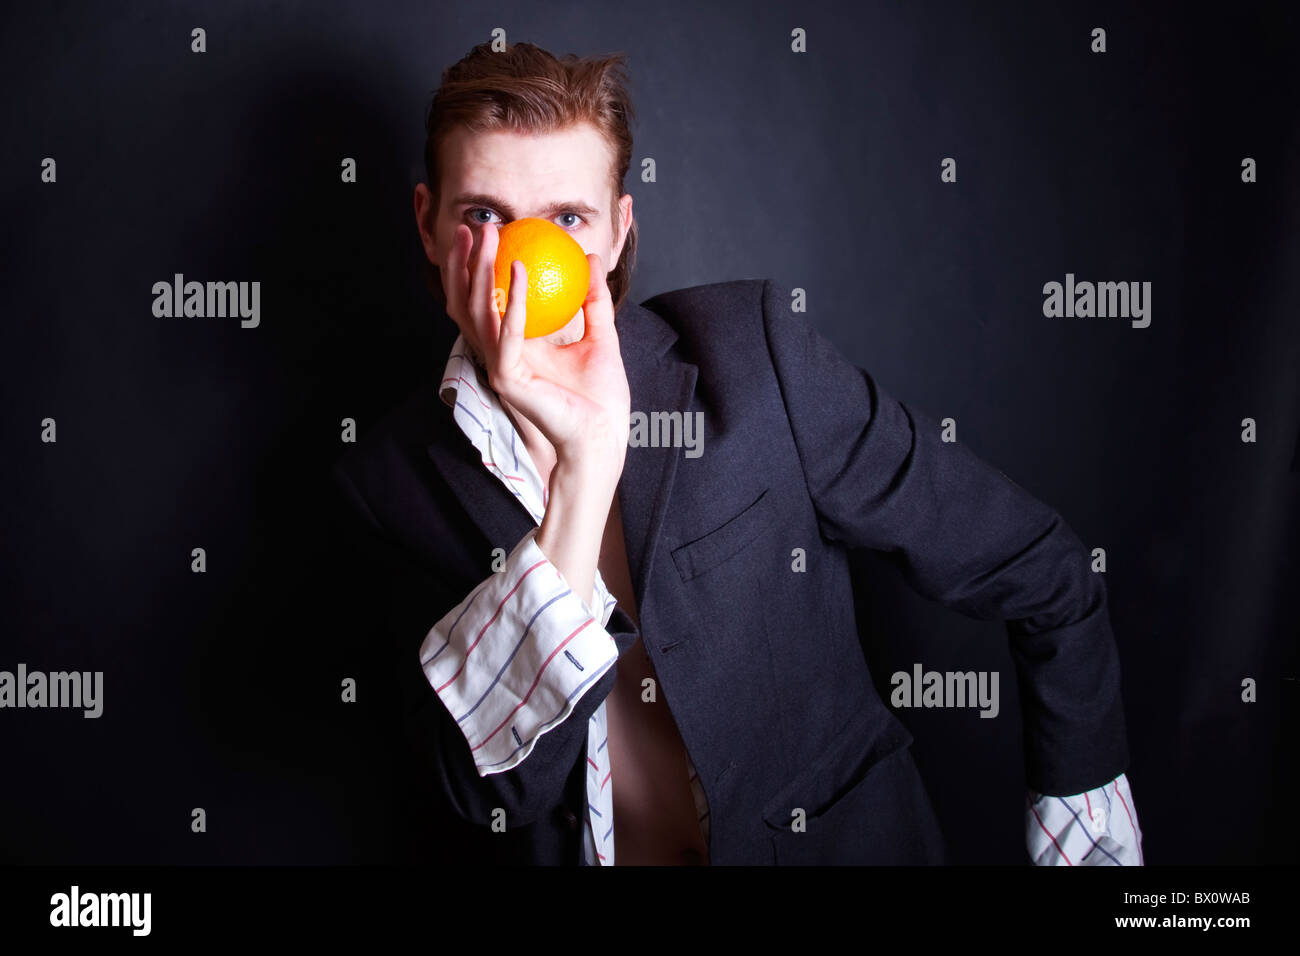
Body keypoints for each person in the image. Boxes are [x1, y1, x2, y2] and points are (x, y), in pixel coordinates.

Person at [330, 40, 1144, 866]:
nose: (523, 257)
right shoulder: (386, 485)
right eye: (484, 216)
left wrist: (1084, 823)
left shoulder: (754, 360)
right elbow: (492, 792)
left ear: (616, 232)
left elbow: (1041, 568)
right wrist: (584, 474)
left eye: (566, 220)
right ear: (428, 226)